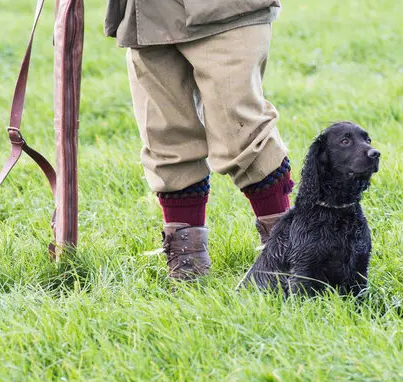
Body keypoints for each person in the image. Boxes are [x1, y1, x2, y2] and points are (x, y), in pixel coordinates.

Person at [104, 0, 293, 281]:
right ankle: (187, 266)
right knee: (166, 137)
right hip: (148, 14)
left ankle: (288, 253)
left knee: (241, 133)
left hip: (225, 10)